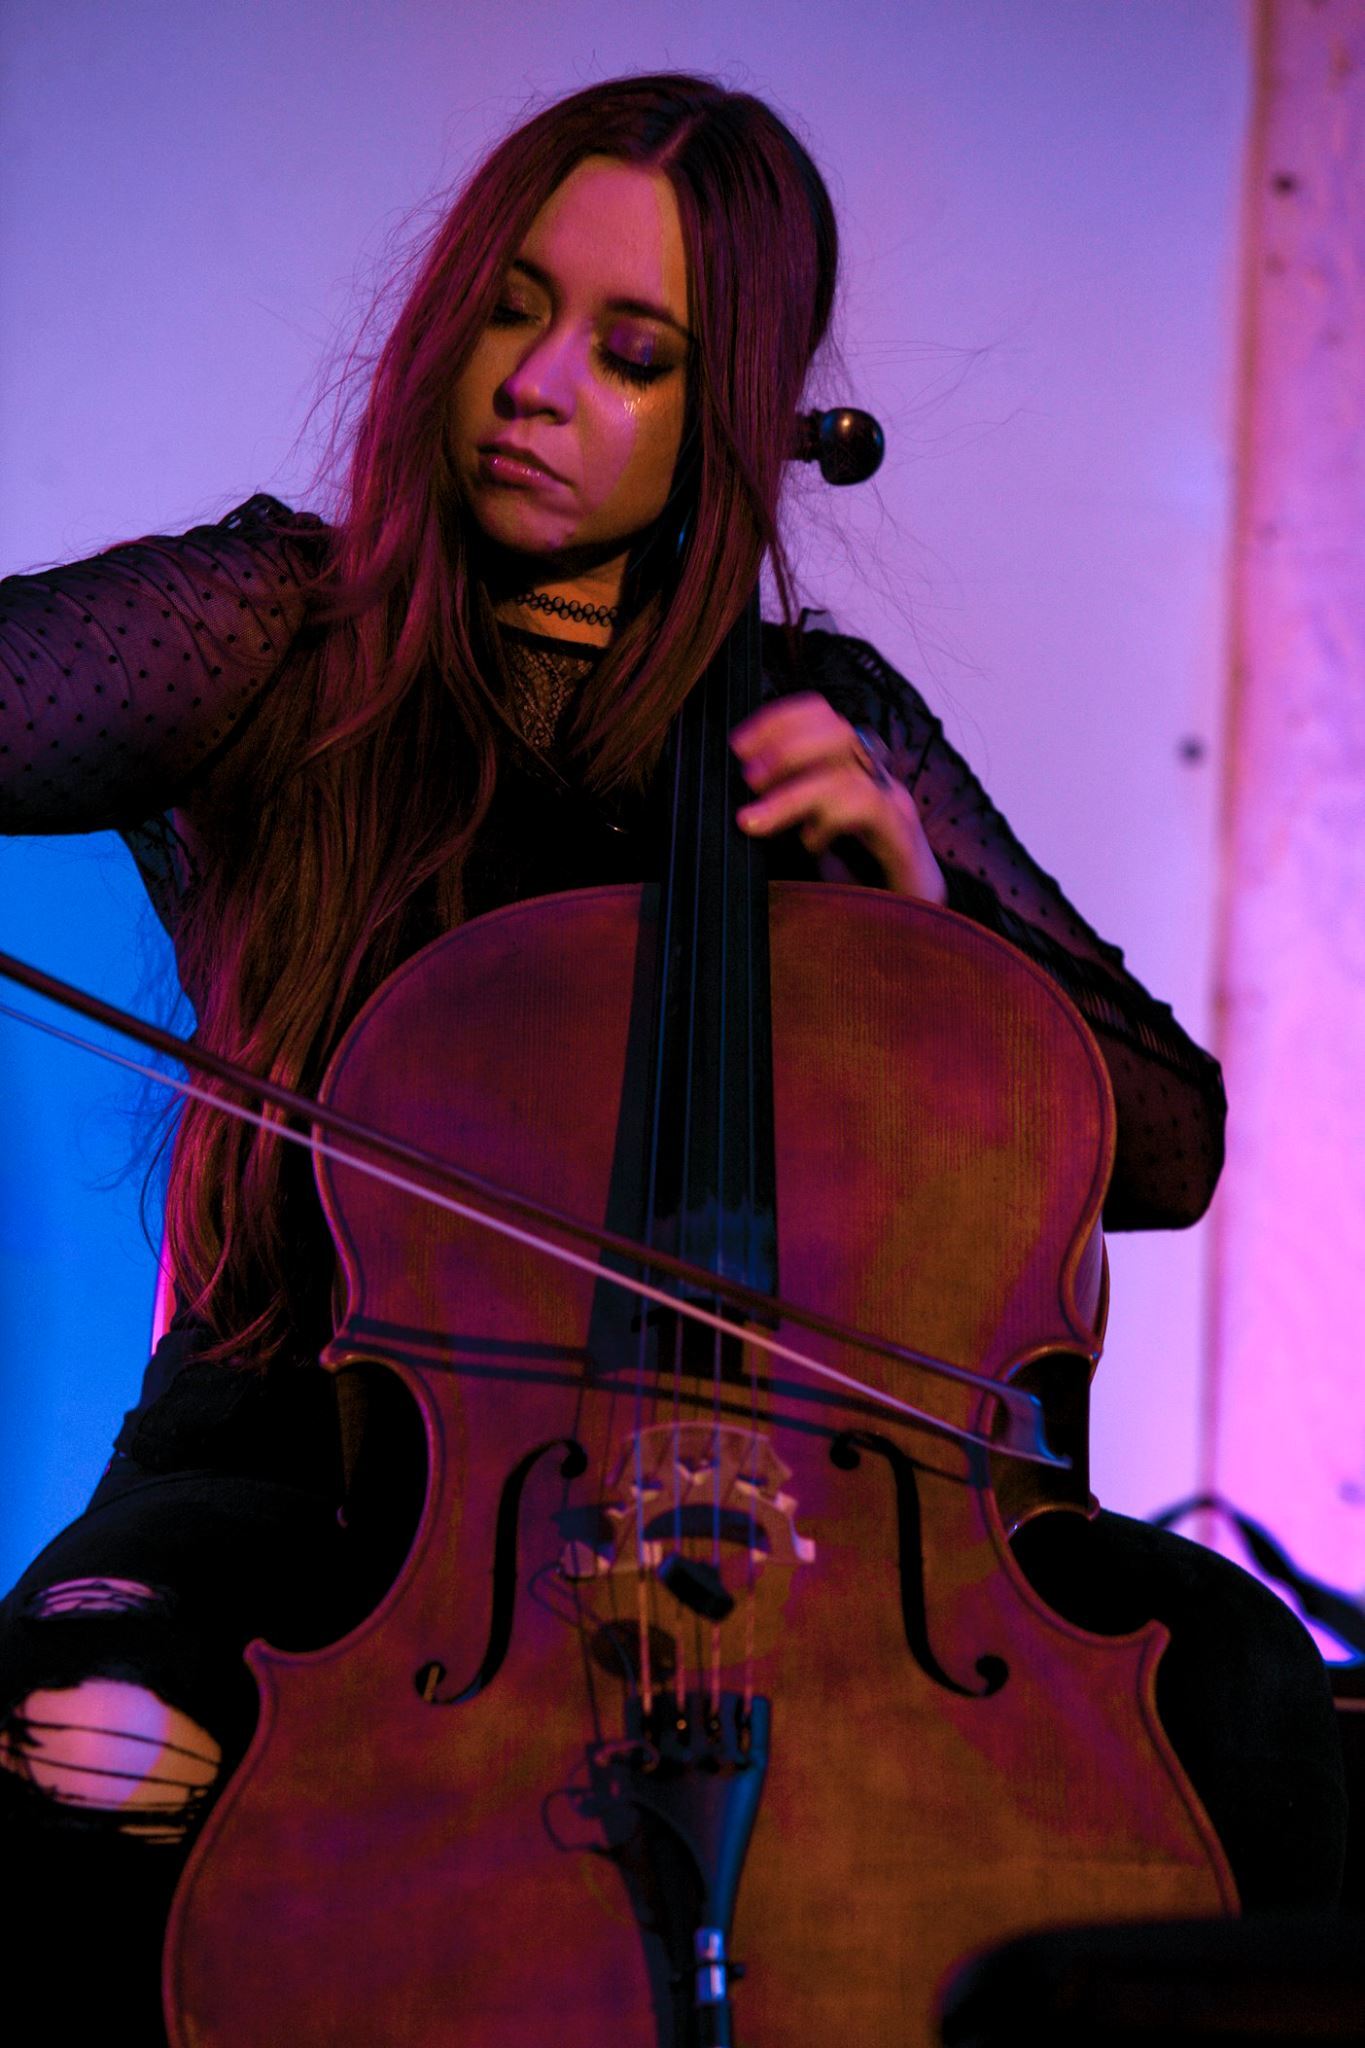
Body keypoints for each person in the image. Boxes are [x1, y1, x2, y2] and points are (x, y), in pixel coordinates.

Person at [0, 71, 1345, 2039]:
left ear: (726, 424)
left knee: (1228, 1672)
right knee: (70, 1746)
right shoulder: (285, 634)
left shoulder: (810, 724)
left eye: (631, 355)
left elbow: (1165, 1143)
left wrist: (929, 919)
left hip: (804, 1522)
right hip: (288, 1479)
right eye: (508, 311)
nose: (537, 382)